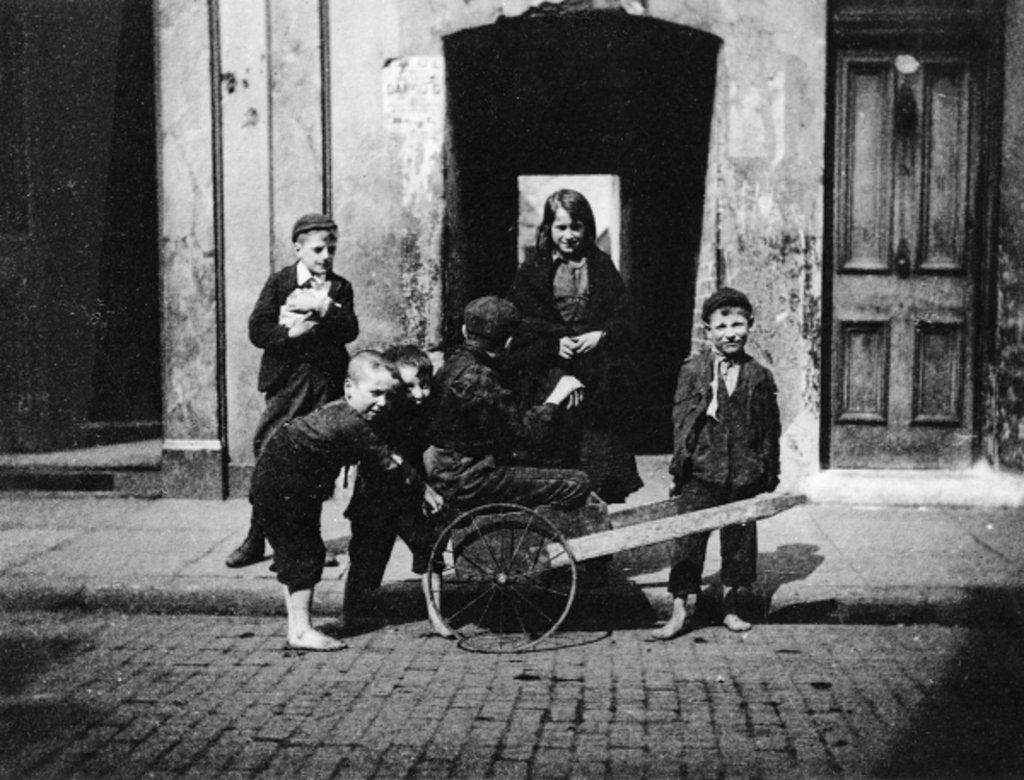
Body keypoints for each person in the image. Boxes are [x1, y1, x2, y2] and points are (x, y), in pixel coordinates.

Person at [249, 351, 443, 651]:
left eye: (387, 395)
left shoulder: (348, 412)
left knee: (299, 554)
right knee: (304, 556)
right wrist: (424, 490)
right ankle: (300, 632)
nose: (382, 403)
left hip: (289, 482)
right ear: (349, 388)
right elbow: (387, 460)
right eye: (375, 394)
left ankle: (298, 627)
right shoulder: (350, 422)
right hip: (283, 485)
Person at [226, 213, 359, 568]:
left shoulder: (340, 288)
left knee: (315, 459)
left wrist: (326, 307)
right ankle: (256, 539)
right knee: (271, 454)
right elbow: (257, 329)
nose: (325, 256)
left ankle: (304, 542)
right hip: (287, 382)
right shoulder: (280, 281)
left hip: (323, 383)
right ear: (298, 249)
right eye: (317, 249)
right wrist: (289, 336)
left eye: (331, 248)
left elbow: (350, 331)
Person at [651, 287, 781, 640]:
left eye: (738, 324)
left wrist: (767, 470)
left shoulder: (759, 375)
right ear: (707, 331)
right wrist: (681, 466)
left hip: (743, 474)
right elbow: (681, 421)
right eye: (721, 327)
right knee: (689, 542)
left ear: (750, 326)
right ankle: (680, 610)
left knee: (739, 544)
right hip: (702, 472)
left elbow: (770, 428)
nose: (731, 333)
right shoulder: (694, 370)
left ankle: (731, 605)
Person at [507, 188, 642, 504]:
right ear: (548, 229)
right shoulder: (533, 269)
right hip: (549, 374)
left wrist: (602, 335)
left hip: (597, 378)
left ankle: (597, 536)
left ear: (587, 228)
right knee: (555, 454)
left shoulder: (601, 266)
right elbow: (520, 323)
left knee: (597, 458)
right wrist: (554, 344)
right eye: (561, 227)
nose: (568, 235)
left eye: (576, 227)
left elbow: (626, 318)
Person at [425, 296, 592, 511]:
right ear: (508, 342)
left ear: (465, 331)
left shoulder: (454, 364)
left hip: (446, 469)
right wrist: (555, 397)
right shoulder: (478, 376)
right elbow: (525, 436)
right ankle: (532, 538)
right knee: (577, 483)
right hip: (467, 478)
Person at [343, 345, 450, 636]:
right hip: (376, 494)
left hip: (411, 496)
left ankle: (437, 615)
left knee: (429, 551)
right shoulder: (380, 412)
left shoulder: (425, 409)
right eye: (408, 388)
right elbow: (384, 455)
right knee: (367, 555)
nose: (418, 395)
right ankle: (355, 613)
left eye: (424, 385)